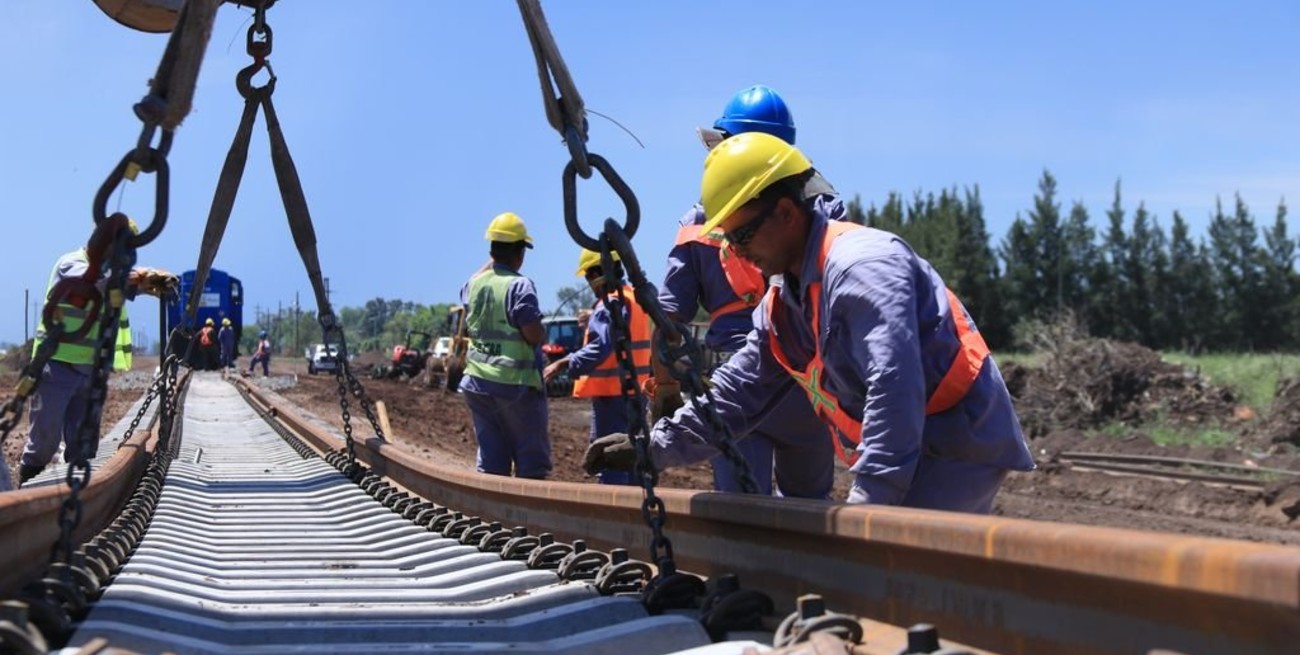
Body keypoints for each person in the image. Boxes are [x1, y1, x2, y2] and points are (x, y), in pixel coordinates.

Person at [586, 133, 1036, 512]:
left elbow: (892, 383)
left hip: (952, 441)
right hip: (914, 441)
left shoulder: (862, 267)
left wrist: (871, 505)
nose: (735, 254)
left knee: (907, 579)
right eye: (726, 241)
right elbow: (739, 390)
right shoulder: (783, 300)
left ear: (785, 212)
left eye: (740, 236)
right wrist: (655, 445)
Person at [651, 84, 839, 498]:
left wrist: (663, 389)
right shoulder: (821, 209)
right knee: (811, 517)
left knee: (740, 514)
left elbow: (670, 322)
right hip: (807, 386)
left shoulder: (698, 222)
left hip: (736, 387)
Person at [17, 229, 177, 486]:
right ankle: (27, 485)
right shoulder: (70, 263)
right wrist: (139, 277)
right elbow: (91, 281)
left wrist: (150, 287)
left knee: (83, 446)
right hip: (56, 365)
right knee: (44, 443)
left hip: (89, 371)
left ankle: (76, 496)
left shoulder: (110, 277)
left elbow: (113, 286)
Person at [543, 250, 650, 485]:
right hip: (635, 393)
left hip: (612, 396)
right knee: (633, 456)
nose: (589, 285)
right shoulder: (634, 298)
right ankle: (634, 514)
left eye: (588, 278)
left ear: (595, 274)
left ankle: (612, 513)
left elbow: (602, 346)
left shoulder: (610, 302)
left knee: (610, 458)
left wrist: (564, 362)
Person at [459, 212, 551, 479]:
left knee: (492, 458)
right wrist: (541, 331)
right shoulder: (520, 286)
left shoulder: (474, 284)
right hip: (515, 385)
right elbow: (532, 333)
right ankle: (531, 513)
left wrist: (496, 255)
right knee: (531, 459)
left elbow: (468, 284)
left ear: (492, 250)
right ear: (520, 252)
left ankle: (493, 513)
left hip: (477, 383)